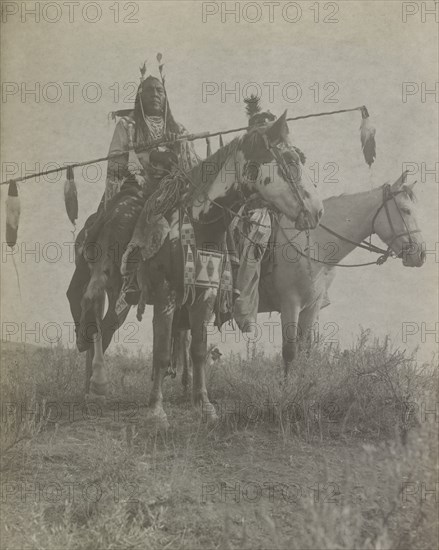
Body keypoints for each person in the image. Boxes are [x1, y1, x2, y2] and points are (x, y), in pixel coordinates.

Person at [105, 72, 200, 303]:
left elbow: (193, 165)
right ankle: (129, 275)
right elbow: (116, 159)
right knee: (129, 218)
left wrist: (179, 147)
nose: (155, 94)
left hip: (173, 189)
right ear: (140, 96)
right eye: (150, 90)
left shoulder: (179, 129)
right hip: (137, 186)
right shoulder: (128, 125)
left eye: (160, 91)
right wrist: (142, 169)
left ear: (166, 97)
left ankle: (202, 285)